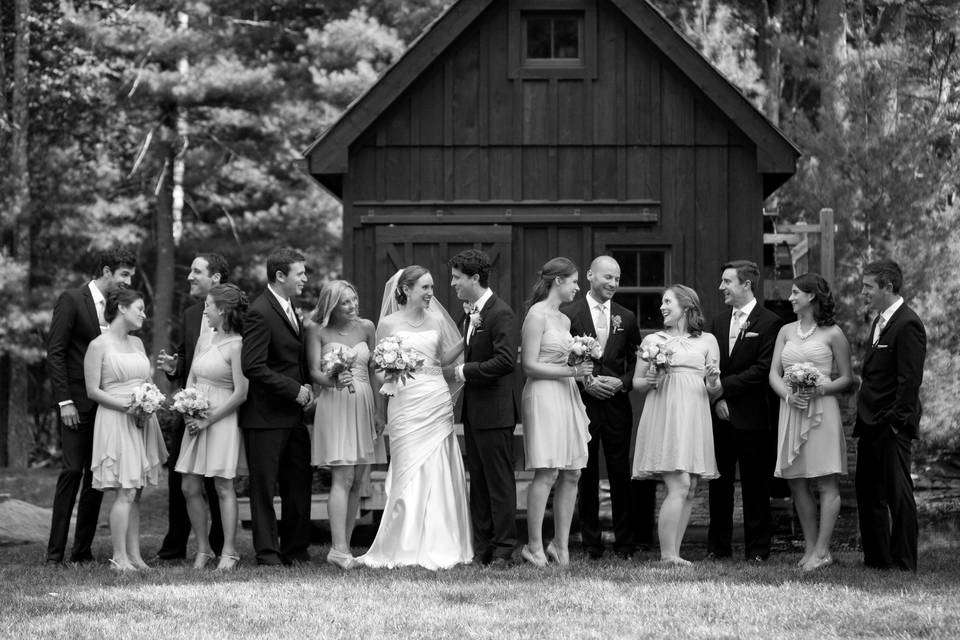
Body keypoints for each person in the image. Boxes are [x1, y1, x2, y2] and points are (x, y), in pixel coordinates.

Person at [355, 266, 471, 570]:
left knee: (439, 465)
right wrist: (391, 369)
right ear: (406, 290)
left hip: (434, 396)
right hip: (404, 401)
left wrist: (465, 339)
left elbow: (443, 359)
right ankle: (403, 541)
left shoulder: (435, 320)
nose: (431, 293)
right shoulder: (388, 323)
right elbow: (379, 369)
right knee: (407, 464)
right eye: (425, 287)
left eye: (431, 287)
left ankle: (442, 539)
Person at [45, 248, 136, 566]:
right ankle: (55, 553)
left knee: (96, 478)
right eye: (124, 275)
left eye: (131, 277)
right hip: (76, 403)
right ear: (107, 271)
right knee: (71, 471)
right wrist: (64, 401)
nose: (128, 281)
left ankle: (81, 551)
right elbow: (55, 352)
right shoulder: (72, 299)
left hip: (106, 406)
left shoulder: (117, 309)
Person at [563, 255, 652, 560]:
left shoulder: (626, 317)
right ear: (590, 275)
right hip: (581, 403)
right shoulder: (568, 313)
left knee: (619, 473)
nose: (613, 283)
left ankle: (625, 543)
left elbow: (635, 360)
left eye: (617, 278)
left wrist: (622, 383)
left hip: (616, 405)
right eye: (607, 277)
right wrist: (583, 381)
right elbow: (560, 358)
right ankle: (591, 544)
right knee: (585, 473)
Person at [632, 285, 721, 564]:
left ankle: (675, 553)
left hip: (694, 415)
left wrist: (714, 381)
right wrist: (650, 380)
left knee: (691, 486)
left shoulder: (708, 341)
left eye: (667, 301)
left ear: (686, 305)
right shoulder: (652, 341)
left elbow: (713, 390)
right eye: (661, 302)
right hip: (665, 414)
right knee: (680, 483)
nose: (662, 307)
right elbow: (637, 384)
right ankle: (667, 555)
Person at [769, 274, 852, 572]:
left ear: (811, 297)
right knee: (797, 480)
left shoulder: (833, 333)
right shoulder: (785, 331)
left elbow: (847, 377)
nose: (790, 298)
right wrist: (789, 397)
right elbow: (774, 374)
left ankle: (823, 550)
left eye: (795, 293)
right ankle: (809, 548)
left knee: (826, 478)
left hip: (822, 410)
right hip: (792, 410)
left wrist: (820, 388)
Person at [240, 248, 314, 566]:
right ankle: (268, 554)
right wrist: (294, 389)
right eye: (300, 273)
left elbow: (291, 357)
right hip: (265, 417)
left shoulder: (288, 307)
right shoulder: (259, 311)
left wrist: (309, 385)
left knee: (299, 483)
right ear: (280, 276)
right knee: (264, 488)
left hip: (293, 414)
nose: (305, 279)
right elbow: (253, 366)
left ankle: (296, 550)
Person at [85, 288, 168, 571]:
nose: (144, 314)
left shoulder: (137, 343)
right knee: (125, 489)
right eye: (140, 308)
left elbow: (145, 381)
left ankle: (135, 556)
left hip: (142, 420)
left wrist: (149, 401)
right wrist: (126, 406)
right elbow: (93, 391)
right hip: (116, 418)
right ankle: (118, 558)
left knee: (137, 489)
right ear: (121, 307)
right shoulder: (98, 345)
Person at [707, 260, 782, 562]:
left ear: (746, 284)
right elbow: (709, 366)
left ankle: (758, 551)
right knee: (719, 485)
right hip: (720, 414)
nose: (721, 287)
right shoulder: (717, 321)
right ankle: (718, 549)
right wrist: (716, 400)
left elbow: (763, 370)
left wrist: (723, 389)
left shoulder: (770, 322)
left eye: (727, 281)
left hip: (753, 417)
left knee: (755, 485)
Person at [155, 253, 229, 561]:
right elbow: (187, 358)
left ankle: (218, 545)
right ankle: (175, 546)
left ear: (215, 278)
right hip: (188, 408)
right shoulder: (189, 314)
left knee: (216, 482)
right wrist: (174, 367)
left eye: (196, 271)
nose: (189, 277)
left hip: (221, 406)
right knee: (180, 478)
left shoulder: (236, 311)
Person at [520, 257, 593, 567]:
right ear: (558, 281)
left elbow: (567, 363)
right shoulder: (536, 316)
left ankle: (560, 546)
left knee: (572, 471)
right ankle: (533, 546)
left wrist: (581, 369)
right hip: (543, 395)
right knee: (547, 471)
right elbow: (529, 365)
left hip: (567, 395)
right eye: (574, 281)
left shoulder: (563, 321)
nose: (578, 287)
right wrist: (570, 373)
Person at [450, 249, 520, 567]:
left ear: (474, 278)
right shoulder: (471, 313)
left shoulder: (499, 312)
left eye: (457, 278)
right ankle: (484, 546)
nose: (453, 284)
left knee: (499, 481)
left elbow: (506, 361)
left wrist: (466, 371)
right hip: (475, 412)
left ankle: (505, 546)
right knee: (478, 481)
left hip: (495, 413)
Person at [855, 259, 926, 572]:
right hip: (869, 422)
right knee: (868, 491)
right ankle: (877, 558)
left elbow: (909, 381)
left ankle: (903, 560)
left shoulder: (908, 323)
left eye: (868, 287)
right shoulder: (879, 321)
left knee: (898, 493)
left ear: (888, 286)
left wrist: (896, 422)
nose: (863, 292)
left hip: (892, 424)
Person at [174, 283, 249, 570]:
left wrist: (208, 418)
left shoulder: (238, 345)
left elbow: (241, 393)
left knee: (222, 485)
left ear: (223, 310)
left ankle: (229, 551)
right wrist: (187, 408)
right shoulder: (205, 340)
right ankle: (203, 549)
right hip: (195, 418)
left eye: (208, 305)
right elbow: (192, 378)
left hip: (221, 419)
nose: (204, 310)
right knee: (189, 485)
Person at [306, 280, 378, 570]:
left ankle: (344, 548)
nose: (353, 306)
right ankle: (337, 549)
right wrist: (332, 379)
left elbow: (374, 372)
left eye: (354, 299)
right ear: (331, 305)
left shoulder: (367, 328)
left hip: (363, 403)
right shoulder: (317, 330)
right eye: (346, 302)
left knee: (358, 481)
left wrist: (379, 412)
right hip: (334, 403)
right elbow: (313, 372)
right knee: (343, 476)